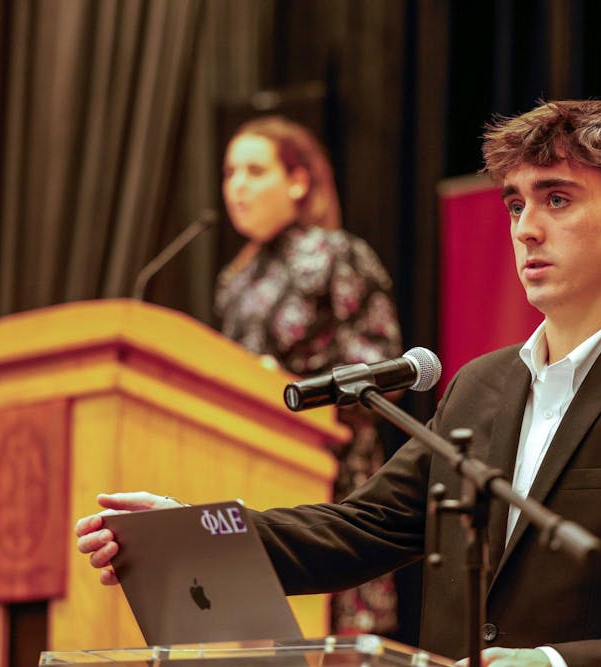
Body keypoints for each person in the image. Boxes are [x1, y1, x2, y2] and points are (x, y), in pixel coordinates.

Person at [78, 99, 601, 666]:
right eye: (515, 205)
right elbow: (358, 527)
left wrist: (551, 663)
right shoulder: (480, 386)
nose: (527, 229)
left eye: (557, 200)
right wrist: (190, 528)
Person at [215, 115, 405, 635]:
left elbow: (383, 366)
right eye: (231, 172)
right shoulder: (234, 280)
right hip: (249, 469)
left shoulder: (336, 255)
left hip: (330, 475)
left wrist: (288, 383)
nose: (238, 186)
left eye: (255, 170)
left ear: (298, 181)